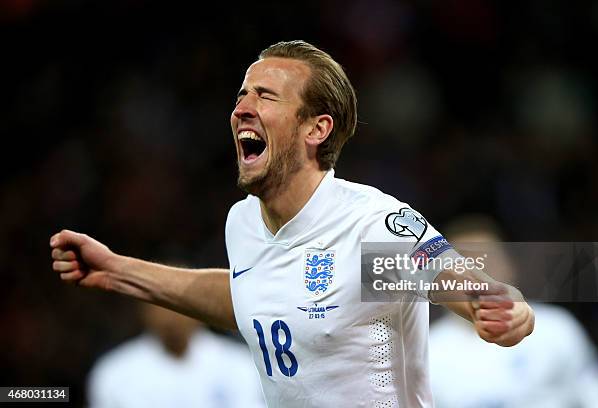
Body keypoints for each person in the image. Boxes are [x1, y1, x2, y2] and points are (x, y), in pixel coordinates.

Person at [50, 40, 535, 407]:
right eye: (242, 94)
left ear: (315, 128)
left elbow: (457, 281)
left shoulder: (371, 225)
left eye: (265, 96)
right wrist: (116, 271)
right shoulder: (241, 223)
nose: (242, 107)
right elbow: (250, 299)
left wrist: (505, 310)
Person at [429, 215, 598, 408]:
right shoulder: (429, 353)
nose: (477, 273)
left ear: (510, 265)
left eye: (487, 259)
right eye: (465, 262)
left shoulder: (557, 327)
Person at [88, 303, 265, 408]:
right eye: (161, 305)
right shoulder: (114, 371)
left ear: (200, 307)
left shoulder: (241, 364)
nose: (171, 316)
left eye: (178, 304)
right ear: (144, 311)